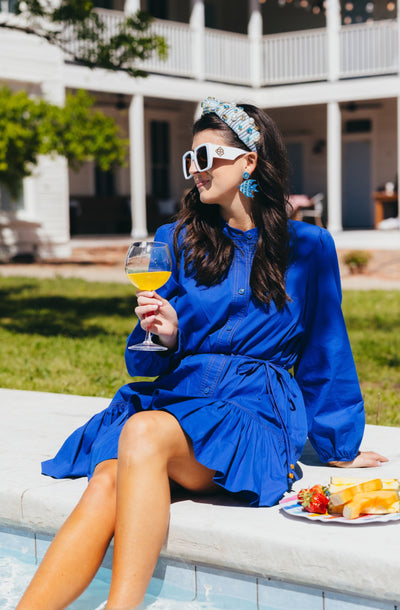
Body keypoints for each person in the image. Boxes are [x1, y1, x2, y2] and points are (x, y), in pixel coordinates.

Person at [17, 97, 387, 610]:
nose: (195, 172)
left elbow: (327, 349)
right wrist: (166, 337)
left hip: (253, 414)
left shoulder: (309, 246)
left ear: (249, 161)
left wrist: (339, 445)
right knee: (108, 478)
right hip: (181, 406)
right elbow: (142, 360)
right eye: (190, 161)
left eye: (206, 158)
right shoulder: (175, 241)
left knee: (141, 433)